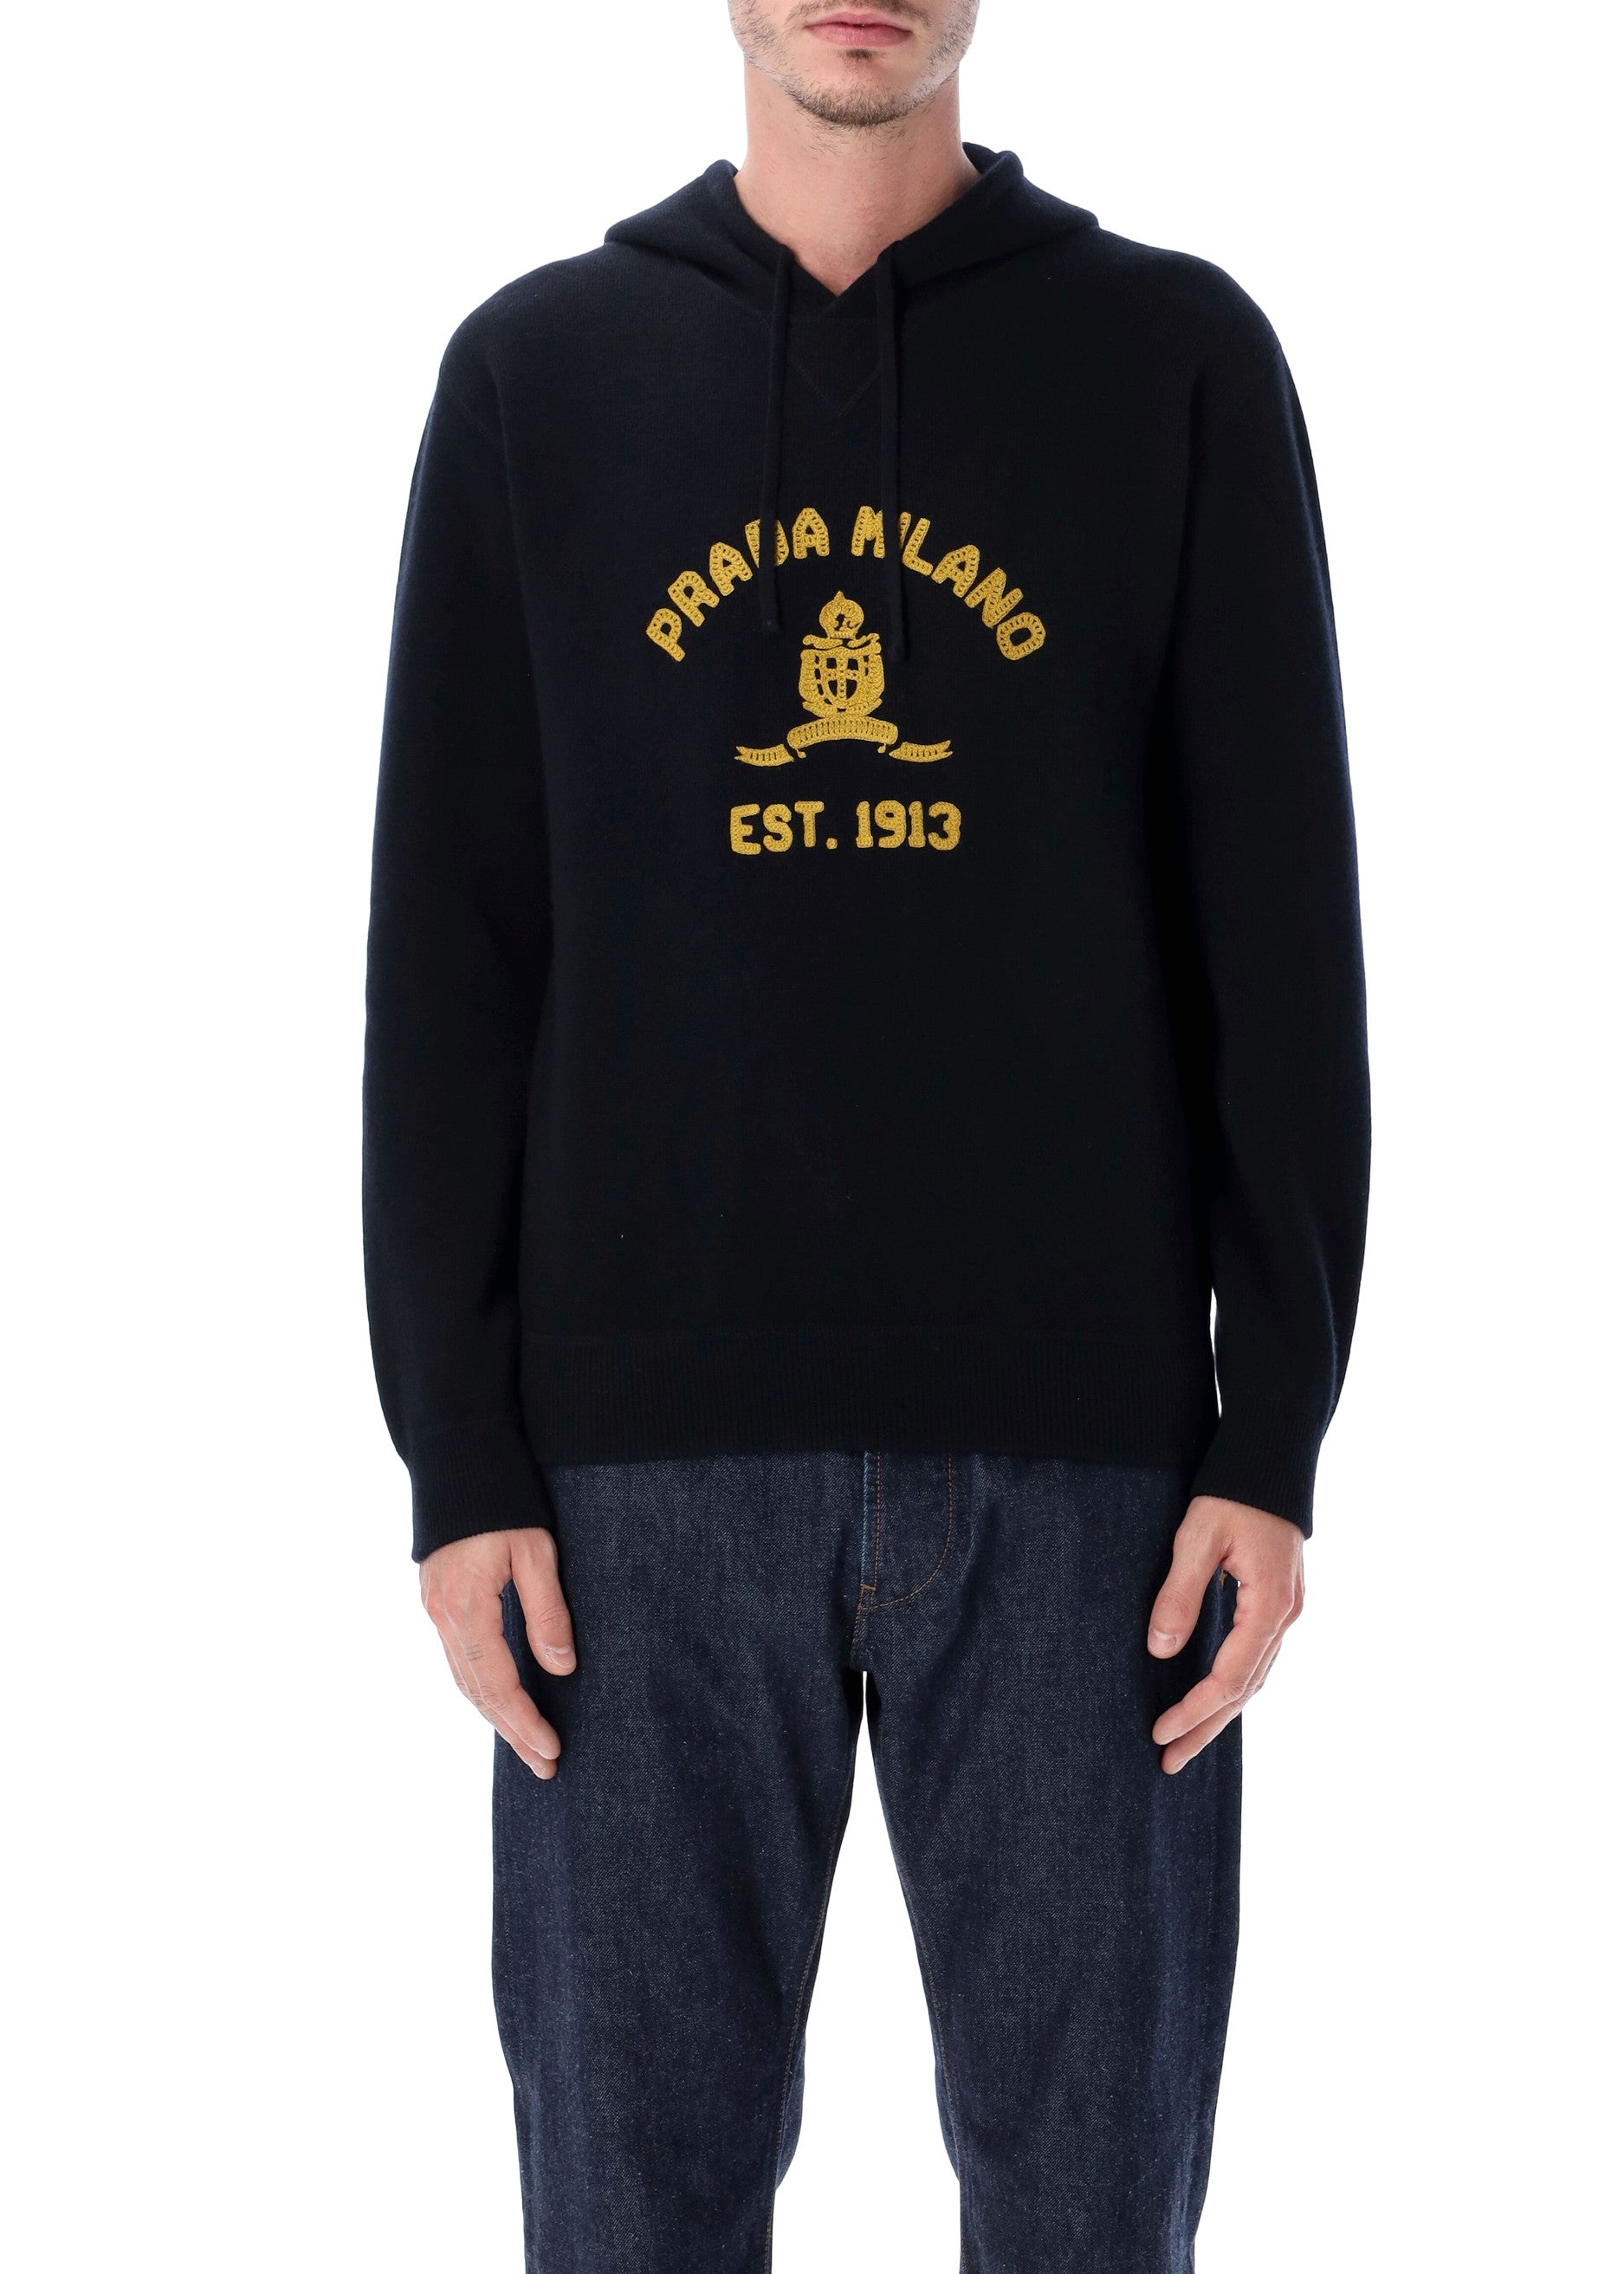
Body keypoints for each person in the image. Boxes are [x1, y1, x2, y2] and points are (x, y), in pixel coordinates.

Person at [362, 2, 1370, 2265]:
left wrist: (1273, 1429)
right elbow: (452, 959)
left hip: (1094, 1484)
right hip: (628, 1497)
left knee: (1094, 2225)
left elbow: (1281, 928)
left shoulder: (1175, 361)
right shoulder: (537, 380)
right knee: (630, 2225)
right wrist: (462, 1453)